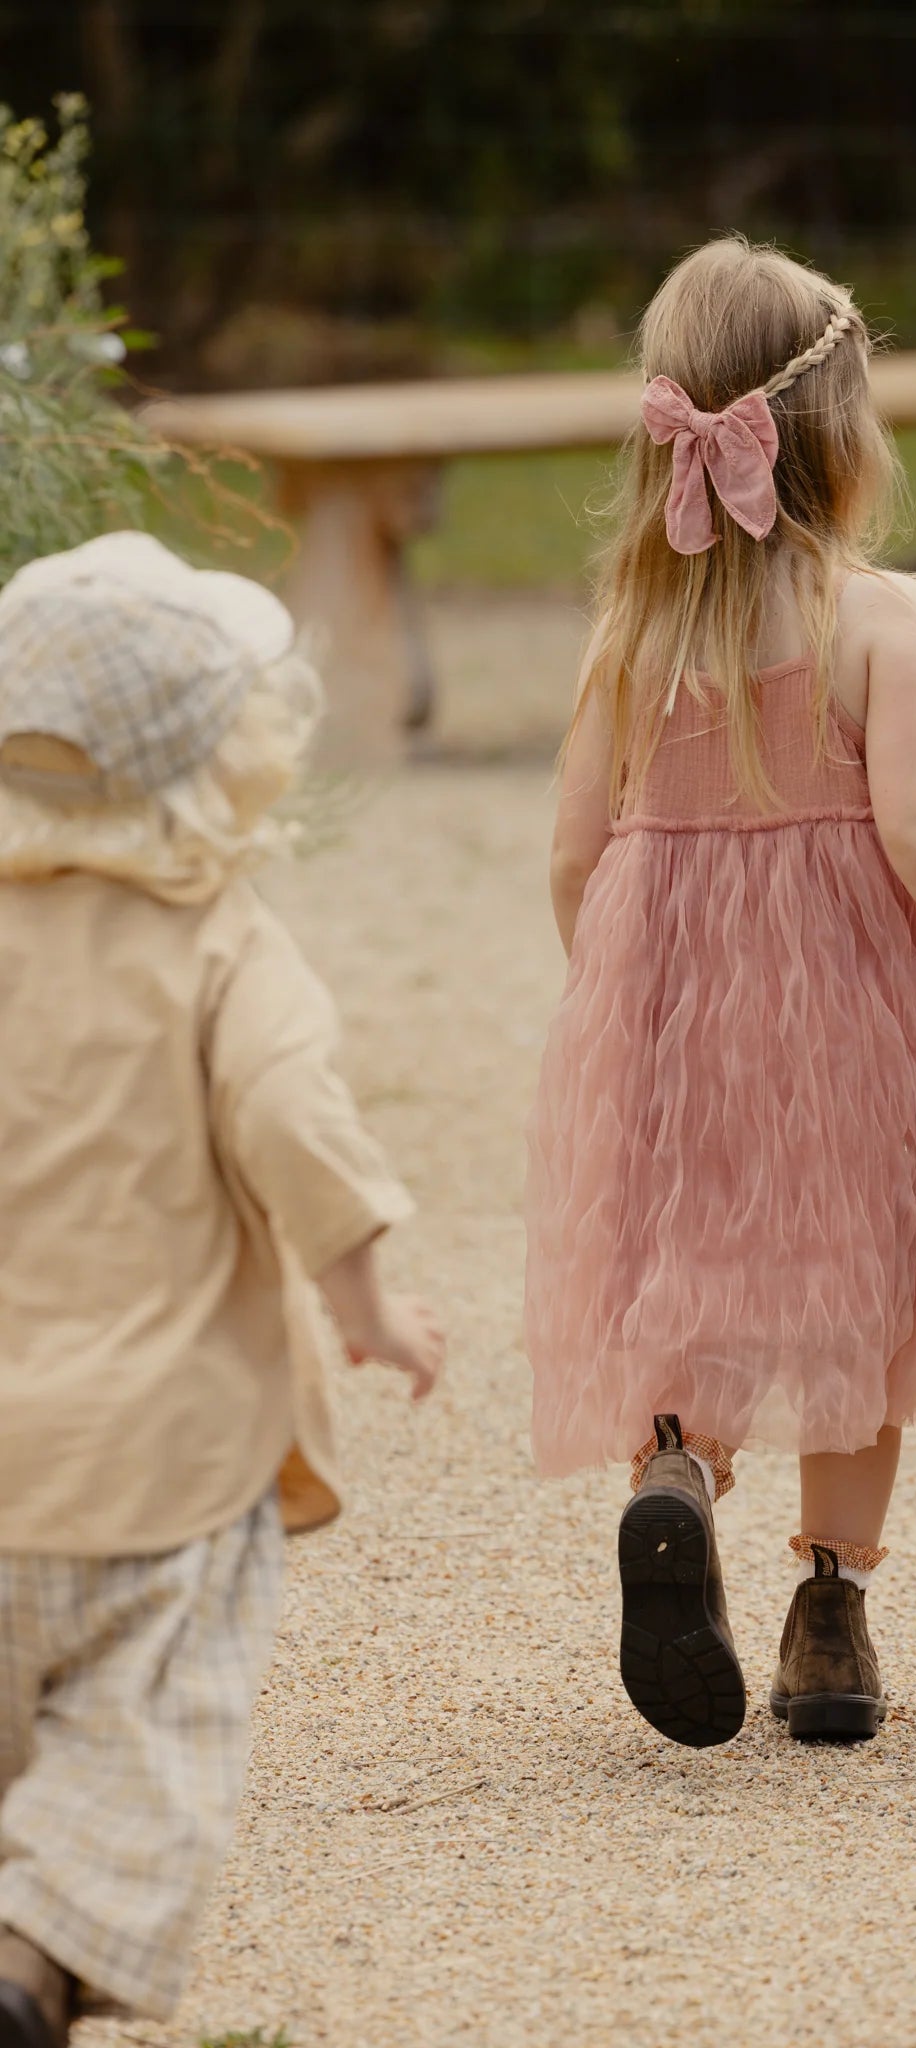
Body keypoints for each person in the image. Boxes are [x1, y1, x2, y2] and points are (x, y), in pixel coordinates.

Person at [525, 237, 916, 1751]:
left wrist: (624, 991)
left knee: (696, 1266)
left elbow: (575, 853)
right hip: (860, 1008)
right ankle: (829, 1617)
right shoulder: (882, 616)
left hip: (670, 1010)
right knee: (869, 1284)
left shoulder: (628, 638)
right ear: (839, 426)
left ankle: (676, 1473)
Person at [0, 533, 445, 2048]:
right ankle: (35, 1954)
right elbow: (289, 1115)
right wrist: (364, 1294)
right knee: (143, 1732)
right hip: (157, 1471)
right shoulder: (221, 943)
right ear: (234, 755)